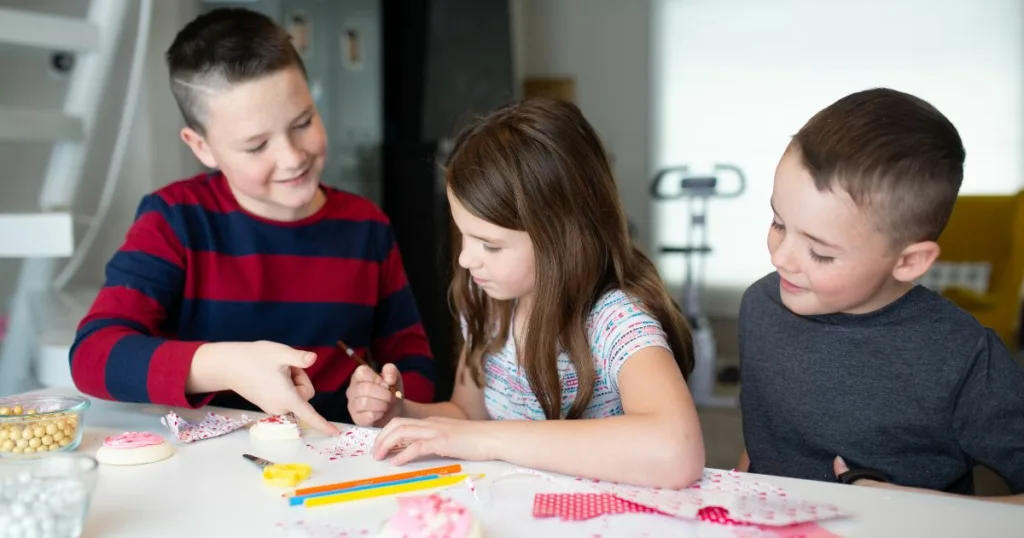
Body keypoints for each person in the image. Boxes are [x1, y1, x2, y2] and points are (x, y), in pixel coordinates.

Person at [69, 8, 435, 433]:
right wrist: (224, 365)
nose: (292, 157)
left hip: (338, 462)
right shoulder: (175, 220)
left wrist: (394, 401)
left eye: (303, 123)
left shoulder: (367, 226)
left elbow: (413, 361)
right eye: (257, 145)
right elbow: (92, 355)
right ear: (202, 147)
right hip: (213, 466)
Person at [346, 98, 705, 488]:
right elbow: (468, 416)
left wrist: (490, 440)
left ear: (565, 237)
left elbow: (677, 451)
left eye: (491, 245)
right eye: (463, 234)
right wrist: (401, 412)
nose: (466, 259)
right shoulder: (490, 302)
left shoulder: (616, 321)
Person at [737, 87, 1024, 504]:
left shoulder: (966, 359)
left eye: (820, 252)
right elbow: (771, 437)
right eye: (778, 223)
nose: (780, 257)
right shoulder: (760, 306)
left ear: (908, 262)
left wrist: (908, 507)